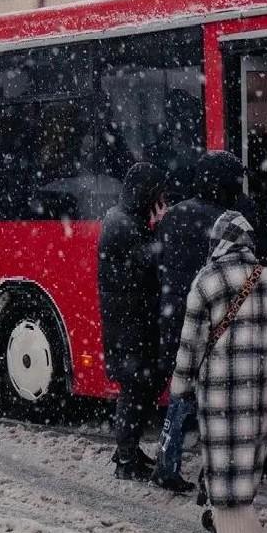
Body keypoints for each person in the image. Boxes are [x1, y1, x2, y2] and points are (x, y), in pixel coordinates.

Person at [171, 211, 267, 533]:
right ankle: (230, 520)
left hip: (218, 389)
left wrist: (180, 387)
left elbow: (190, 343)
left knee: (222, 457)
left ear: (219, 241)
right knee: (249, 455)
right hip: (259, 389)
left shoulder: (206, 280)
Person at [152, 151, 250, 494]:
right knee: (214, 396)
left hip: (174, 313)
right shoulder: (225, 220)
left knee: (181, 391)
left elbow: (159, 261)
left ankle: (167, 460)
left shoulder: (175, 214)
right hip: (209, 316)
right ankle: (217, 472)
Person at [99, 162, 168, 480]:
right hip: (130, 324)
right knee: (135, 391)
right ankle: (126, 459)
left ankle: (127, 451)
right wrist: (163, 227)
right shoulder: (124, 224)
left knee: (142, 388)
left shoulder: (124, 218)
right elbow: (151, 260)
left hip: (130, 321)